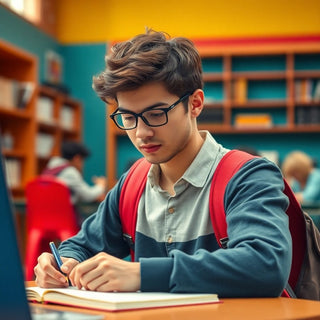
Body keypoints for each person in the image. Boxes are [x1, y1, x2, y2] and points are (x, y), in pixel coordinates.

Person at [34, 29, 292, 298]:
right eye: (128, 117)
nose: (141, 132)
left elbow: (266, 266)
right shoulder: (132, 184)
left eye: (156, 114)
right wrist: (61, 262)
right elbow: (82, 245)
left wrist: (140, 274)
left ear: (195, 104)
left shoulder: (248, 176)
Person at [43, 141, 107, 205]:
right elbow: (88, 196)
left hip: (43, 211)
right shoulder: (70, 172)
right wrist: (101, 185)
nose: (82, 164)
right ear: (77, 158)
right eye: (82, 160)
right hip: (63, 213)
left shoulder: (50, 168)